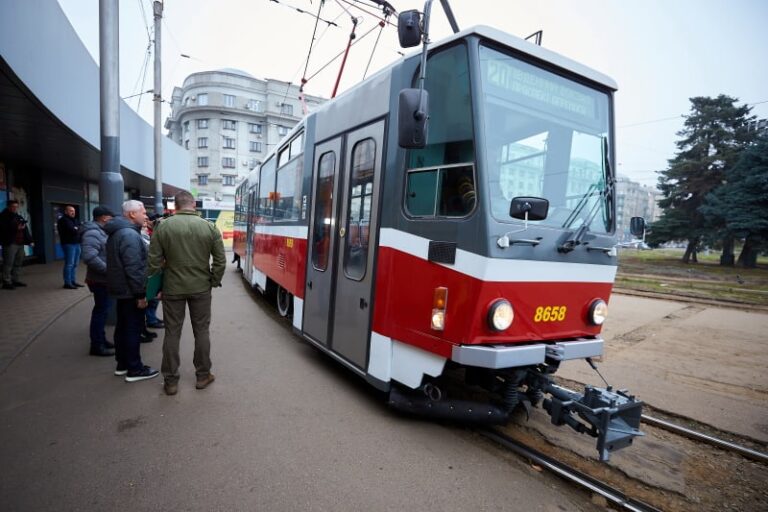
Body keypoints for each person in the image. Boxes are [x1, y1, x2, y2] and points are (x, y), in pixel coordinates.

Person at [148, 190, 225, 396]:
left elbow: (153, 262)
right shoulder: (209, 227)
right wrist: (214, 281)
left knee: (172, 332)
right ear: (194, 205)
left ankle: (171, 381)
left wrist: (154, 288)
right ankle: (202, 376)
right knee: (201, 331)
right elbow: (220, 260)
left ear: (176, 206)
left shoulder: (163, 227)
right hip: (201, 287)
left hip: (172, 288)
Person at [105, 200, 159, 382]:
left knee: (122, 328)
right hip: (130, 291)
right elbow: (134, 268)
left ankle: (123, 364)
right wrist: (140, 295)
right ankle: (135, 369)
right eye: (143, 212)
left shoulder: (119, 232)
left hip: (122, 289)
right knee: (132, 329)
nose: (146, 216)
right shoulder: (129, 235)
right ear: (131, 214)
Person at [80, 206, 116, 357]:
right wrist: (108, 270)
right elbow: (89, 257)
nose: (112, 220)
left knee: (102, 310)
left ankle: (100, 340)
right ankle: (97, 345)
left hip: (102, 279)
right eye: (110, 217)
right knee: (100, 312)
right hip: (100, 280)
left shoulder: (99, 231)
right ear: (103, 218)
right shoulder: (93, 233)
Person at [1, 200, 33, 290]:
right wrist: (16, 228)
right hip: (10, 243)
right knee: (8, 263)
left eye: (16, 206)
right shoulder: (3, 216)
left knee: (18, 263)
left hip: (20, 243)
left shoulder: (18, 216)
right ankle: (6, 282)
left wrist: (30, 241)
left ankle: (15, 280)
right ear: (8, 207)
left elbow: (25, 229)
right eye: (13, 206)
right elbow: (3, 230)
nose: (15, 208)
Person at [57, 205, 83, 289]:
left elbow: (80, 229)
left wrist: (77, 228)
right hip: (68, 244)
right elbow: (72, 230)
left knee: (75, 264)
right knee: (69, 264)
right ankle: (67, 283)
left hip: (77, 244)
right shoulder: (63, 220)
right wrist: (77, 229)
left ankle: (73, 281)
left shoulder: (75, 220)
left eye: (74, 211)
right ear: (66, 212)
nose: (73, 212)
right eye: (71, 211)